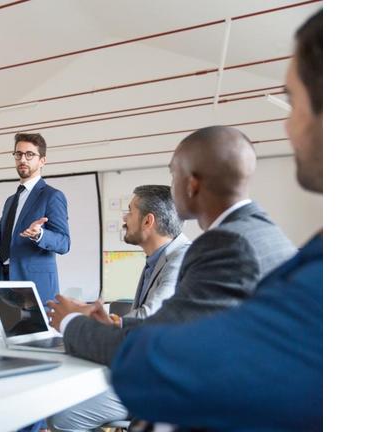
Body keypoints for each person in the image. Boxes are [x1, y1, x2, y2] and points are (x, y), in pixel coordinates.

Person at [109, 10, 323, 430]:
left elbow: (160, 368)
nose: (287, 124)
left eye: (293, 101)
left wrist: (85, 326)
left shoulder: (228, 244)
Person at [49, 125, 296, 367]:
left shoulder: (226, 244)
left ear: (192, 184)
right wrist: (113, 324)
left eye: (173, 174)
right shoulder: (266, 232)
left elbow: (157, 345)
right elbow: (174, 325)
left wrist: (70, 322)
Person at [49, 185, 190, 431]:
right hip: (142, 369)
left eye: (130, 211)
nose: (124, 218)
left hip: (155, 383)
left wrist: (84, 319)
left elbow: (151, 316)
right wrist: (103, 319)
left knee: (63, 416)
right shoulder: (157, 258)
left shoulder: (180, 258)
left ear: (148, 221)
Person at [0, 132, 71, 304]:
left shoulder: (52, 196)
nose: (23, 159)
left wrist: (40, 234)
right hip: (6, 283)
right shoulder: (11, 201)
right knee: (7, 322)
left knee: (34, 324)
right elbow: (0, 242)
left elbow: (64, 243)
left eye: (30, 154)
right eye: (18, 154)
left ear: (42, 161)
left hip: (35, 285)